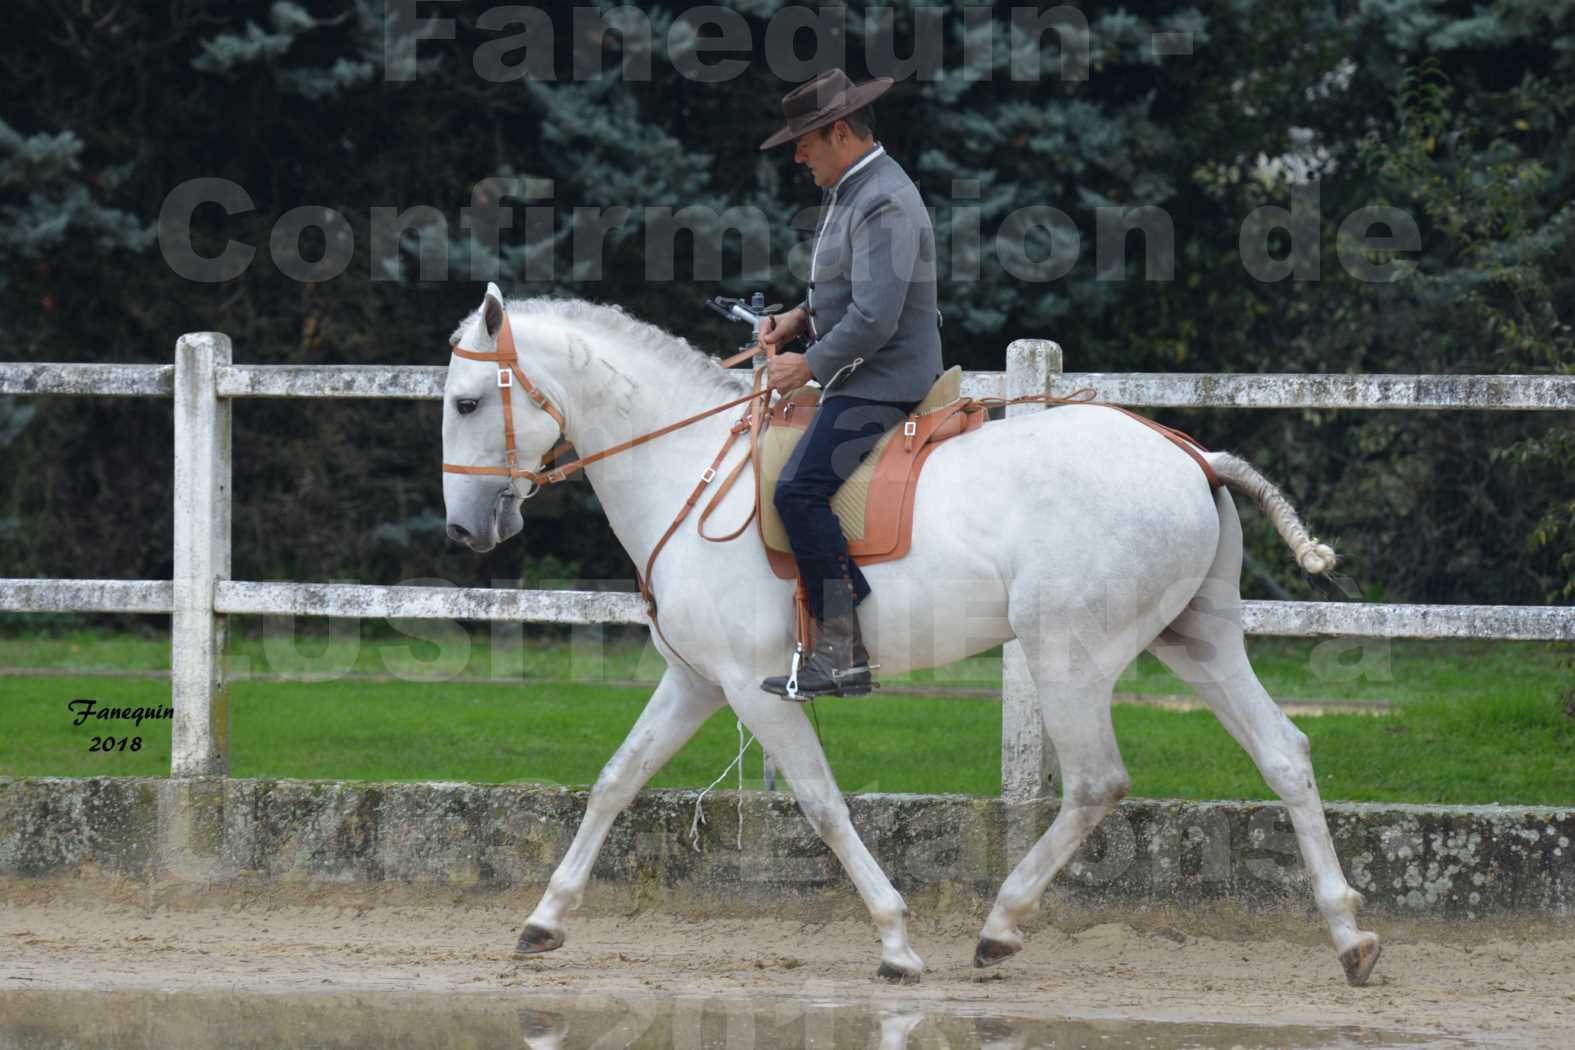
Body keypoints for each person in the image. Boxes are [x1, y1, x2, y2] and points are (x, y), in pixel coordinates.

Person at [755, 68, 944, 700]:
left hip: (884, 381)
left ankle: (840, 652)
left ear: (840, 131)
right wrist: (797, 317)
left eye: (805, 141)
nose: (799, 155)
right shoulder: (857, 187)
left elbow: (875, 317)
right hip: (862, 371)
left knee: (800, 492)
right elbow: (847, 294)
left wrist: (804, 365)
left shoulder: (883, 198)